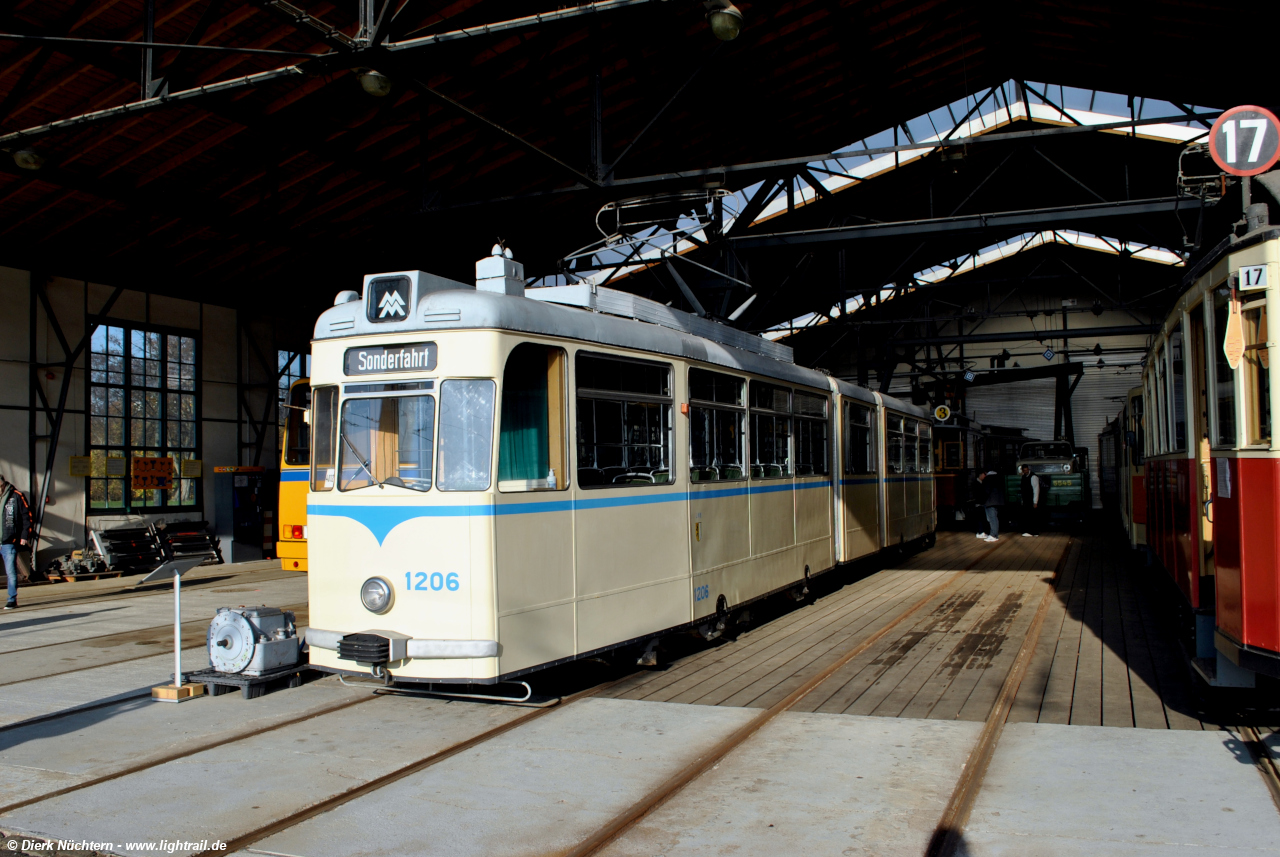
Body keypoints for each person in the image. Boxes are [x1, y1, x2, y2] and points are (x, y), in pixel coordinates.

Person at [1, 474, 33, 609]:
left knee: (11, 572)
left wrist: (24, 536)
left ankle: (12, 599)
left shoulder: (16, 496)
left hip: (9, 541)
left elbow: (27, 517)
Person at [980, 470, 1004, 542]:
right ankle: (994, 534)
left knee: (992, 518)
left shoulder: (988, 479)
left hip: (990, 501)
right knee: (995, 518)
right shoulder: (999, 478)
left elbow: (986, 491)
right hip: (998, 501)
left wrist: (982, 500)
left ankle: (993, 535)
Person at [1019, 464, 1042, 537]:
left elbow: (1036, 489)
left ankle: (1034, 531)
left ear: (1028, 469)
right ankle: (1031, 531)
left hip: (1031, 500)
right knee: (1028, 516)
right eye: (1024, 470)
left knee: (1032, 516)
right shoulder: (1024, 477)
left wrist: (1035, 501)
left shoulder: (1033, 477)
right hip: (1026, 500)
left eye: (1026, 470)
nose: (1025, 471)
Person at [970, 471, 990, 538]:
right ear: (981, 475)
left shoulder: (981, 483)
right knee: (979, 518)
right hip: (978, 503)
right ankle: (980, 532)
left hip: (981, 503)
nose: (985, 476)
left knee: (982, 518)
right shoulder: (975, 483)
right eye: (984, 475)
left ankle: (982, 532)